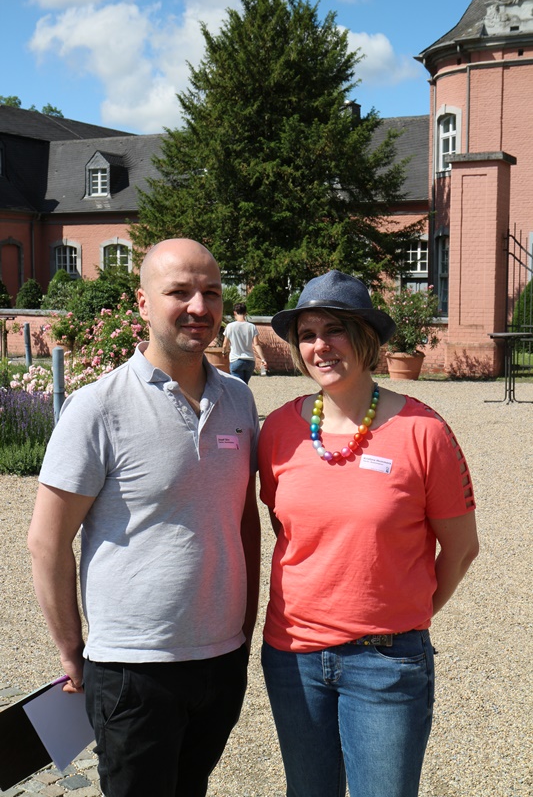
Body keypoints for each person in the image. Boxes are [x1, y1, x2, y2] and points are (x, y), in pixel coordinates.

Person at [28, 239, 261, 797]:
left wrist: (245, 626)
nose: (199, 307)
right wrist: (72, 651)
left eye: (211, 292)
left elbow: (243, 518)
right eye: (179, 291)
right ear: (142, 303)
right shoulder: (97, 407)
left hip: (221, 659)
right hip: (133, 669)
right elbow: (47, 542)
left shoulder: (237, 400)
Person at [258, 270, 479, 797]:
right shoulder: (279, 430)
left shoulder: (424, 432)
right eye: (307, 334)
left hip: (386, 662)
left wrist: (404, 616)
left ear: (367, 338)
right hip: (293, 657)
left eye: (334, 329)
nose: (320, 345)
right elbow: (286, 528)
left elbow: (462, 548)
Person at [222, 301, 267, 383]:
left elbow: (225, 344)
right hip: (249, 361)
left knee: (237, 386)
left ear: (234, 312)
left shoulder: (230, 326)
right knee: (244, 385)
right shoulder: (252, 327)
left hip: (236, 359)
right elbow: (256, 344)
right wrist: (263, 359)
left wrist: (224, 353)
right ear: (246, 313)